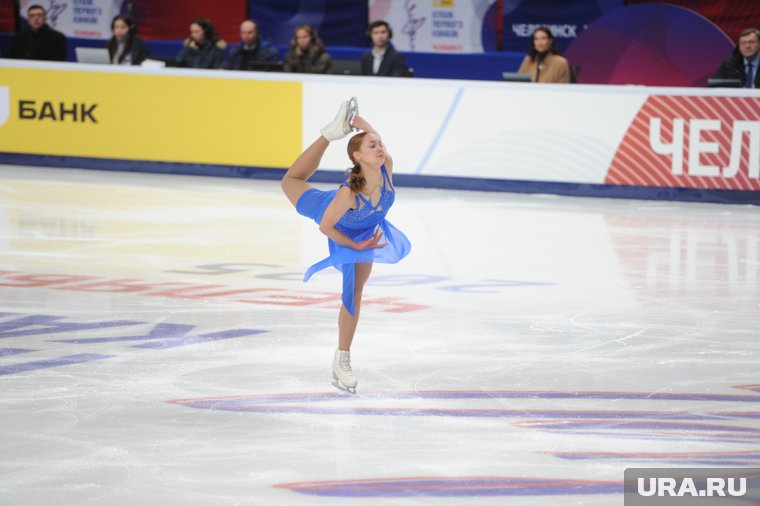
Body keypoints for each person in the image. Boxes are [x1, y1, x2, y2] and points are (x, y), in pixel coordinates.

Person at [280, 100, 411, 393]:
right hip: (334, 218)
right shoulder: (348, 192)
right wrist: (356, 244)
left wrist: (364, 126)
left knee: (357, 292)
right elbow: (326, 227)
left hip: (365, 229)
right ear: (357, 155)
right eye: (372, 146)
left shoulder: (386, 168)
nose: (380, 149)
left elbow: (377, 143)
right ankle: (343, 360)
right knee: (291, 180)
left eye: (381, 145)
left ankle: (341, 357)